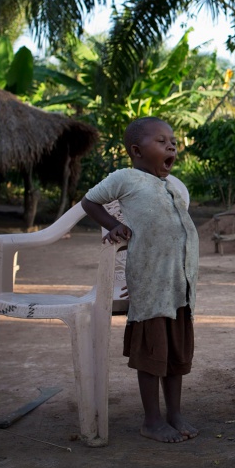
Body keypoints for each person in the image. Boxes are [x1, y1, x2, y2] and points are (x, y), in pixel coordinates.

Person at [81, 116, 200, 443]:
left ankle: (174, 413)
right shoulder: (125, 178)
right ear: (136, 150)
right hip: (148, 287)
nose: (171, 145)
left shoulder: (173, 185)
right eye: (161, 141)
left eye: (172, 141)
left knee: (176, 355)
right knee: (152, 355)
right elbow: (89, 201)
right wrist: (112, 224)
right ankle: (151, 419)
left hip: (178, 286)